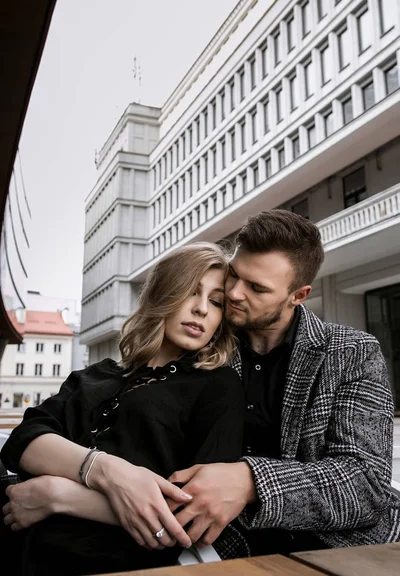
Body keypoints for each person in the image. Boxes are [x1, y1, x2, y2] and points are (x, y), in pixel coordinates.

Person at [162, 209, 400, 559]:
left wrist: (250, 481)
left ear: (298, 295)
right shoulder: (203, 343)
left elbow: (366, 483)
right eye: (234, 276)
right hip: (222, 548)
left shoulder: (353, 351)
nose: (235, 294)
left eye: (257, 288)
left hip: (343, 547)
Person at [0, 242, 245, 576]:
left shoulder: (219, 386)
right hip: (28, 552)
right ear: (162, 294)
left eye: (216, 301)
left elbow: (192, 510)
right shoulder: (94, 376)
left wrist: (57, 494)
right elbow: (25, 441)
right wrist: (109, 472)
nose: (202, 309)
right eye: (190, 292)